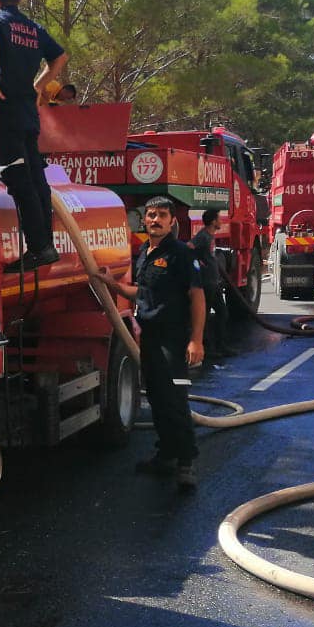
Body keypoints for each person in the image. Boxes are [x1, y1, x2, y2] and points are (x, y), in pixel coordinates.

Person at [92, 195, 205, 490]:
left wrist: (196, 340)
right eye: (151, 215)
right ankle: (166, 455)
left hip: (174, 340)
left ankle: (186, 462)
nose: (155, 220)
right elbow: (142, 291)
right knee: (156, 398)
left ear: (171, 221)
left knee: (175, 401)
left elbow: (197, 297)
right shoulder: (145, 252)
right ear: (144, 219)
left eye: (162, 216)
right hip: (151, 338)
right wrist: (112, 284)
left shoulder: (181, 253)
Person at [0, 0, 68, 273]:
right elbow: (60, 57)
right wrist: (38, 86)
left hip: (6, 113)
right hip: (29, 114)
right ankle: (47, 245)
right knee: (37, 182)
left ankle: (40, 248)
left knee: (20, 181)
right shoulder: (33, 28)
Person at [191, 207, 229, 361]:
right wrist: (197, 265)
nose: (221, 221)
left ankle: (220, 345)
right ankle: (208, 348)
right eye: (219, 218)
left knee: (222, 313)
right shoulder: (203, 237)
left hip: (214, 282)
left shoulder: (209, 236)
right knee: (205, 316)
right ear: (213, 221)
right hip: (207, 284)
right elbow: (188, 249)